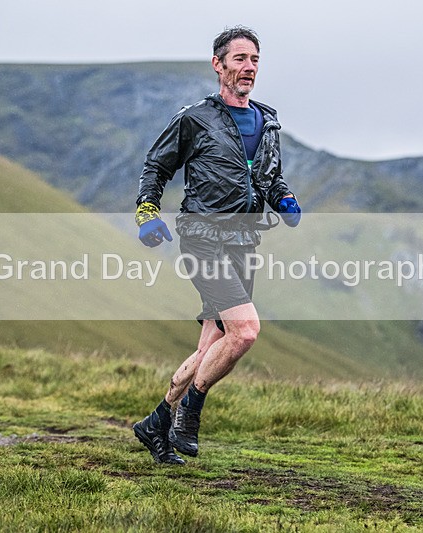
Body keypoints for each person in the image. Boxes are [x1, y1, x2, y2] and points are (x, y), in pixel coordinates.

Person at [132, 26, 302, 464]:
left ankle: (156, 423)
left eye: (255, 61)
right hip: (202, 238)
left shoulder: (268, 121)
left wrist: (283, 198)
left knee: (213, 342)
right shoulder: (195, 119)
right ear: (218, 65)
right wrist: (147, 214)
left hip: (244, 240)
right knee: (246, 331)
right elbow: (157, 165)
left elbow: (267, 175)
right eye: (240, 59)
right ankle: (190, 411)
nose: (248, 68)